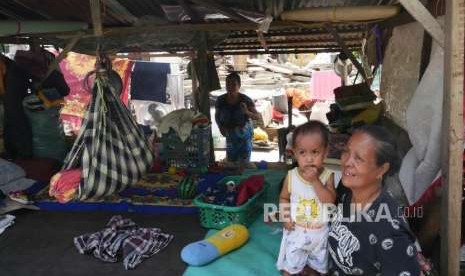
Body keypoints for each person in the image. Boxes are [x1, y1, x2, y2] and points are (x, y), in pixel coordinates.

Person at [327, 125, 421, 275]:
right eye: (346, 151)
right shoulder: (347, 192)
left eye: (358, 158)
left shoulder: (389, 231)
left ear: (382, 169)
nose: (347, 162)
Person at [277, 120, 337, 276]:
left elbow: (330, 201)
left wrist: (315, 181)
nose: (309, 159)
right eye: (302, 152)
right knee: (290, 267)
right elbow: (284, 198)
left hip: (320, 234)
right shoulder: (291, 176)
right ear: (294, 153)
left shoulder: (327, 176)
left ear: (326, 152)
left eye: (315, 152)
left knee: (316, 269)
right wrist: (285, 217)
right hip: (296, 230)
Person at [215, 72, 259, 163]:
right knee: (231, 163)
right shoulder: (221, 100)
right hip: (230, 136)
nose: (230, 87)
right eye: (228, 84)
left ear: (239, 85)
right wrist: (220, 127)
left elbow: (257, 116)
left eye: (233, 84)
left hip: (244, 137)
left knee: (243, 164)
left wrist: (246, 112)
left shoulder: (245, 100)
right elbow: (217, 115)